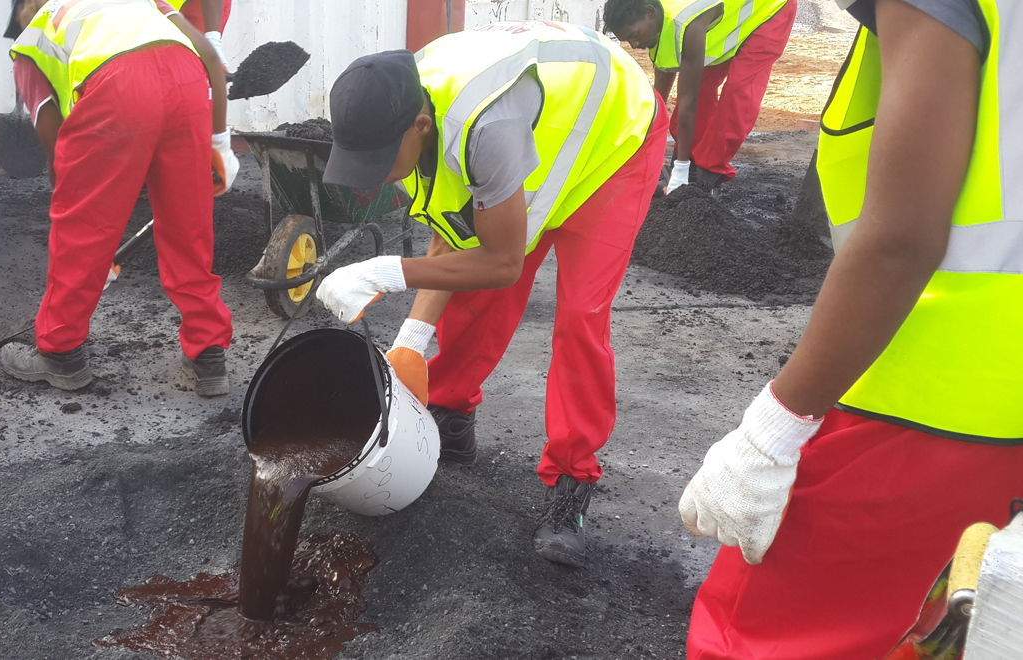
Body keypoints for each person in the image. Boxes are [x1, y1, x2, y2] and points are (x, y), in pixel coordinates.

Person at [676, 0, 1023, 657]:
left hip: (933, 396)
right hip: (995, 410)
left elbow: (901, 239)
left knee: (756, 634)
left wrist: (773, 430)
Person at [314, 20, 668, 567]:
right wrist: (411, 340)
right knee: (472, 291)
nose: (378, 177)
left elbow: (502, 263)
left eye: (382, 160)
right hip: (540, 134)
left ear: (422, 125)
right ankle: (450, 417)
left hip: (611, 141)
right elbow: (450, 237)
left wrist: (387, 273)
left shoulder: (483, 127)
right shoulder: (405, 105)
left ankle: (572, 479)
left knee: (580, 315)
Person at [0, 0, 239, 397]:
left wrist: (89, 245)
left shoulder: (32, 41)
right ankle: (209, 354)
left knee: (82, 227)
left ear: (27, 7)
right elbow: (211, 57)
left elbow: (56, 142)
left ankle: (60, 353)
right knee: (188, 225)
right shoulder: (143, 1)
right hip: (188, 82)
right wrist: (221, 143)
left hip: (118, 88)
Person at [604, 0, 794, 194]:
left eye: (634, 35)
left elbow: (689, 102)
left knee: (740, 91)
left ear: (649, 13)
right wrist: (638, 153)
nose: (634, 46)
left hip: (770, 10)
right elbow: (658, 99)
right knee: (701, 82)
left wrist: (680, 169)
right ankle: (690, 156)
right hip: (727, 16)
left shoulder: (686, 23)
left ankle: (710, 170)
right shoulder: (657, 23)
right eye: (628, 40)